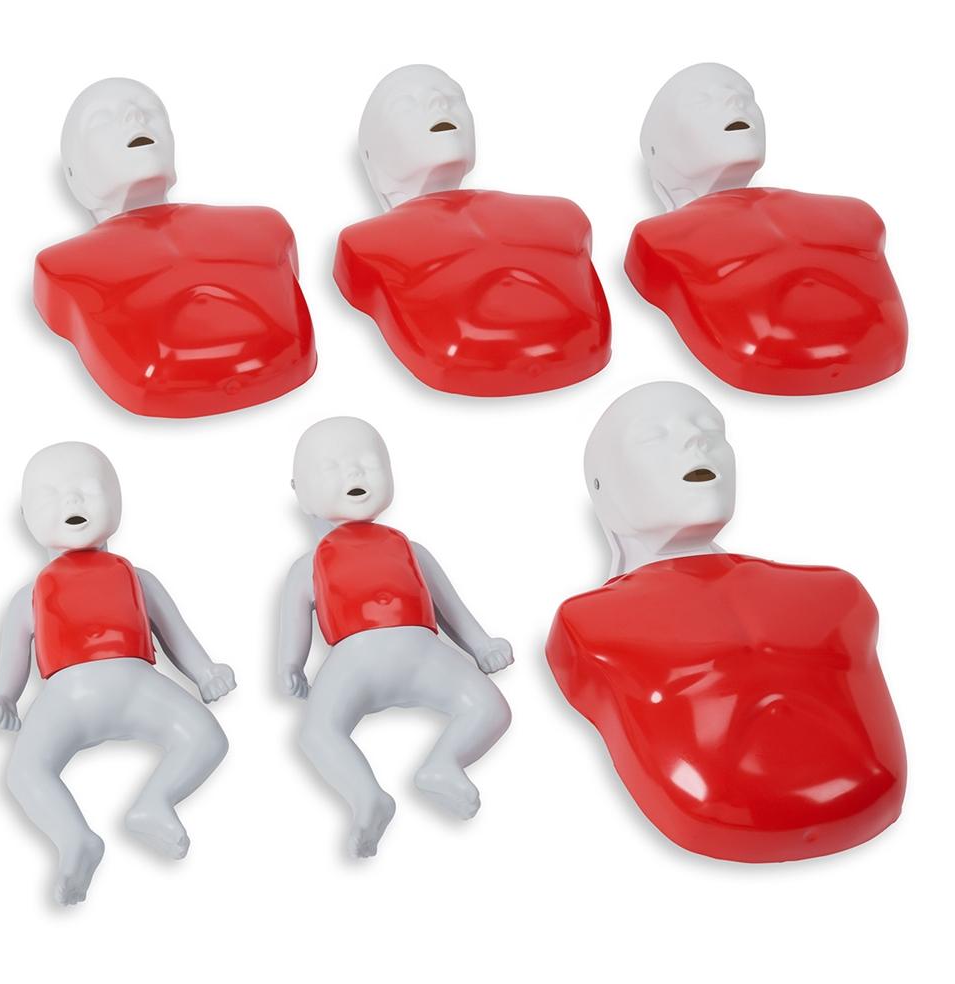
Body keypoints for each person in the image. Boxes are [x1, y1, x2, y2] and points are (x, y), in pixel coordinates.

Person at [546, 382, 906, 861]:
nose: (697, 440)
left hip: (869, 785)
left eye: (712, 429)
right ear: (602, 488)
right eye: (653, 437)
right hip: (715, 811)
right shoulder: (590, 626)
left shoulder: (837, 594)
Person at [0, 442, 235, 904]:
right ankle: (75, 839)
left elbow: (175, 633)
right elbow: (12, 659)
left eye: (88, 488)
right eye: (51, 495)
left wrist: (204, 671)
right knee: (23, 771)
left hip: (136, 684)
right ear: (25, 516)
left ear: (118, 501)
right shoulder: (29, 596)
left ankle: (154, 802)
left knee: (208, 738)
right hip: (64, 697)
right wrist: (3, 696)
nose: (72, 500)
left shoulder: (137, 578)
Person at [278, 417, 512, 857]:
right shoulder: (308, 565)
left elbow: (449, 605)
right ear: (299, 490)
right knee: (316, 731)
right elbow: (294, 621)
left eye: (370, 463)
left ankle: (442, 764)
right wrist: (291, 664)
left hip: (420, 650)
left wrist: (482, 645)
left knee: (492, 708)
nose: (355, 472)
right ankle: (367, 796)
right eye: (332, 467)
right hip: (354, 659)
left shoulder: (410, 549)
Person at [35, 78, 315, 417]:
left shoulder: (264, 227)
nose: (135, 117)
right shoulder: (65, 266)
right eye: (102, 120)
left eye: (150, 111)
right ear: (73, 174)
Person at [625, 63, 907, 394]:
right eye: (702, 101)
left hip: (876, 340)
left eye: (746, 97)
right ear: (656, 146)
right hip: (758, 358)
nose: (735, 101)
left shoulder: (853, 215)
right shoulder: (661, 238)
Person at [334, 64, 611, 396]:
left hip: (581, 343)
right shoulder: (366, 243)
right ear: (371, 152)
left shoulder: (561, 216)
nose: (439, 103)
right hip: (456, 361)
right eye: (406, 105)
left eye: (454, 97)